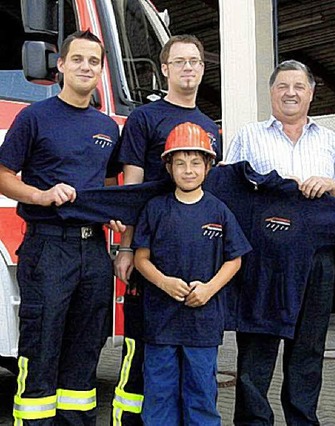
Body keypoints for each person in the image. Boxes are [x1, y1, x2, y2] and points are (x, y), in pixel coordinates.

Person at [225, 59, 335, 425]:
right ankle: (252, 421)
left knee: (308, 349)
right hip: (262, 260)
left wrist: (331, 185)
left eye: (298, 86)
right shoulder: (249, 136)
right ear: (271, 93)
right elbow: (226, 197)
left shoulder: (329, 141)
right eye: (283, 86)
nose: (290, 93)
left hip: (316, 260)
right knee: (257, 347)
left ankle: (302, 420)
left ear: (311, 93)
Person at [0, 30, 121, 425]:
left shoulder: (108, 128)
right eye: (79, 59)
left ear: (100, 70)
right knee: (42, 349)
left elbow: (108, 184)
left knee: (85, 355)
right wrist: (40, 195)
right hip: (49, 249)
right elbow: (3, 175)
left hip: (95, 253)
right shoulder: (34, 117)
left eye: (94, 61)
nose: (86, 66)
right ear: (62, 65)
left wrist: (115, 212)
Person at [111, 34, 220, 425]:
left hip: (196, 270)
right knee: (144, 356)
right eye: (180, 62)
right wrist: (125, 248)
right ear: (165, 69)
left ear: (202, 69)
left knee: (194, 376)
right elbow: (133, 187)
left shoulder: (209, 128)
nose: (188, 68)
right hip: (149, 260)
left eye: (195, 61)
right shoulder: (144, 118)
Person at [133, 122, 250, 425]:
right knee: (159, 394)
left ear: (209, 166)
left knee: (201, 393)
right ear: (168, 167)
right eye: (180, 163)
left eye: (196, 162)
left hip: (203, 324)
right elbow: (141, 258)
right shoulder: (155, 209)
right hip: (161, 322)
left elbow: (234, 260)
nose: (188, 170)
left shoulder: (219, 211)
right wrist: (163, 282)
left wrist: (210, 289)